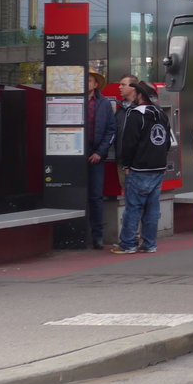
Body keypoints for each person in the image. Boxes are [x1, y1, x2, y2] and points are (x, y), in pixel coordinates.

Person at [112, 81, 172, 255]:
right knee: (152, 209)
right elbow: (166, 142)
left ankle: (128, 244)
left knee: (133, 208)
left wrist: (127, 164)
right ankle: (149, 244)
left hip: (139, 169)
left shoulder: (135, 114)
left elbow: (129, 143)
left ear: (139, 94)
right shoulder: (161, 114)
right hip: (158, 168)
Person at [85, 71, 116, 250]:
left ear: (96, 84)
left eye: (89, 81)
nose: (86, 83)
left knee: (96, 196)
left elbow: (111, 130)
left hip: (97, 156)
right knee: (76, 195)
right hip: (77, 154)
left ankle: (97, 236)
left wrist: (100, 152)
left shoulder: (104, 104)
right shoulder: (76, 102)